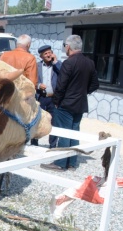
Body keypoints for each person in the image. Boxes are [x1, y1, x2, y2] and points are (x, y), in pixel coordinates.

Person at [41, 35, 100, 171]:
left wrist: (56, 101)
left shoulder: (69, 63)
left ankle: (60, 163)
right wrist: (82, 92)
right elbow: (95, 84)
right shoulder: (89, 62)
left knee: (63, 133)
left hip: (66, 104)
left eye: (64, 46)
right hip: (80, 103)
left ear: (68, 47)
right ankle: (72, 163)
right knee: (75, 133)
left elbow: (61, 86)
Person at [35, 45, 62, 147]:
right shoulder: (37, 66)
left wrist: (56, 62)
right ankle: (34, 142)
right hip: (40, 97)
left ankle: (52, 145)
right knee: (37, 120)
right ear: (41, 56)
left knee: (54, 121)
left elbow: (64, 73)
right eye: (45, 53)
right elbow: (32, 79)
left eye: (50, 52)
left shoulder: (57, 65)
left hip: (53, 98)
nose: (48, 55)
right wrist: (38, 85)